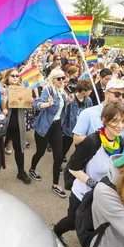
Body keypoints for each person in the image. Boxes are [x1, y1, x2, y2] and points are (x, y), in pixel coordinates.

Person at [54, 101, 124, 247]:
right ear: (104, 121)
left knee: (93, 222)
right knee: (73, 221)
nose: (120, 126)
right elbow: (73, 168)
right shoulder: (92, 141)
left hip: (102, 196)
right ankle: (55, 233)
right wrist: (94, 184)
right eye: (115, 121)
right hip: (82, 192)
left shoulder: (120, 143)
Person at [29, 69, 72, 197]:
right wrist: (47, 104)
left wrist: (68, 101)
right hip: (44, 126)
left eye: (63, 78)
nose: (61, 81)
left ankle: (55, 184)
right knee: (40, 152)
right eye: (58, 78)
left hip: (57, 126)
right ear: (53, 80)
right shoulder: (49, 90)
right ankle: (32, 169)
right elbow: (36, 104)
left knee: (58, 155)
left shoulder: (63, 92)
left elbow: (61, 110)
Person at [73, 79, 124, 146]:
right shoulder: (88, 113)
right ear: (106, 94)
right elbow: (76, 139)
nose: (121, 98)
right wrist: (100, 137)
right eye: (117, 94)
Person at [2, 68, 32, 184]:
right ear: (8, 76)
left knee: (19, 149)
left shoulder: (23, 89)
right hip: (4, 124)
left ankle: (21, 172)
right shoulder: (2, 88)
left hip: (18, 125)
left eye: (17, 76)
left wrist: (30, 101)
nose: (15, 77)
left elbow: (25, 106)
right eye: (13, 75)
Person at [61, 79, 93, 162]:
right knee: (64, 149)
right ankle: (59, 163)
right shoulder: (71, 99)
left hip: (81, 130)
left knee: (80, 150)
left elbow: (90, 114)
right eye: (89, 90)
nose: (91, 91)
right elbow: (65, 114)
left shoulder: (88, 100)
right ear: (83, 91)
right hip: (69, 129)